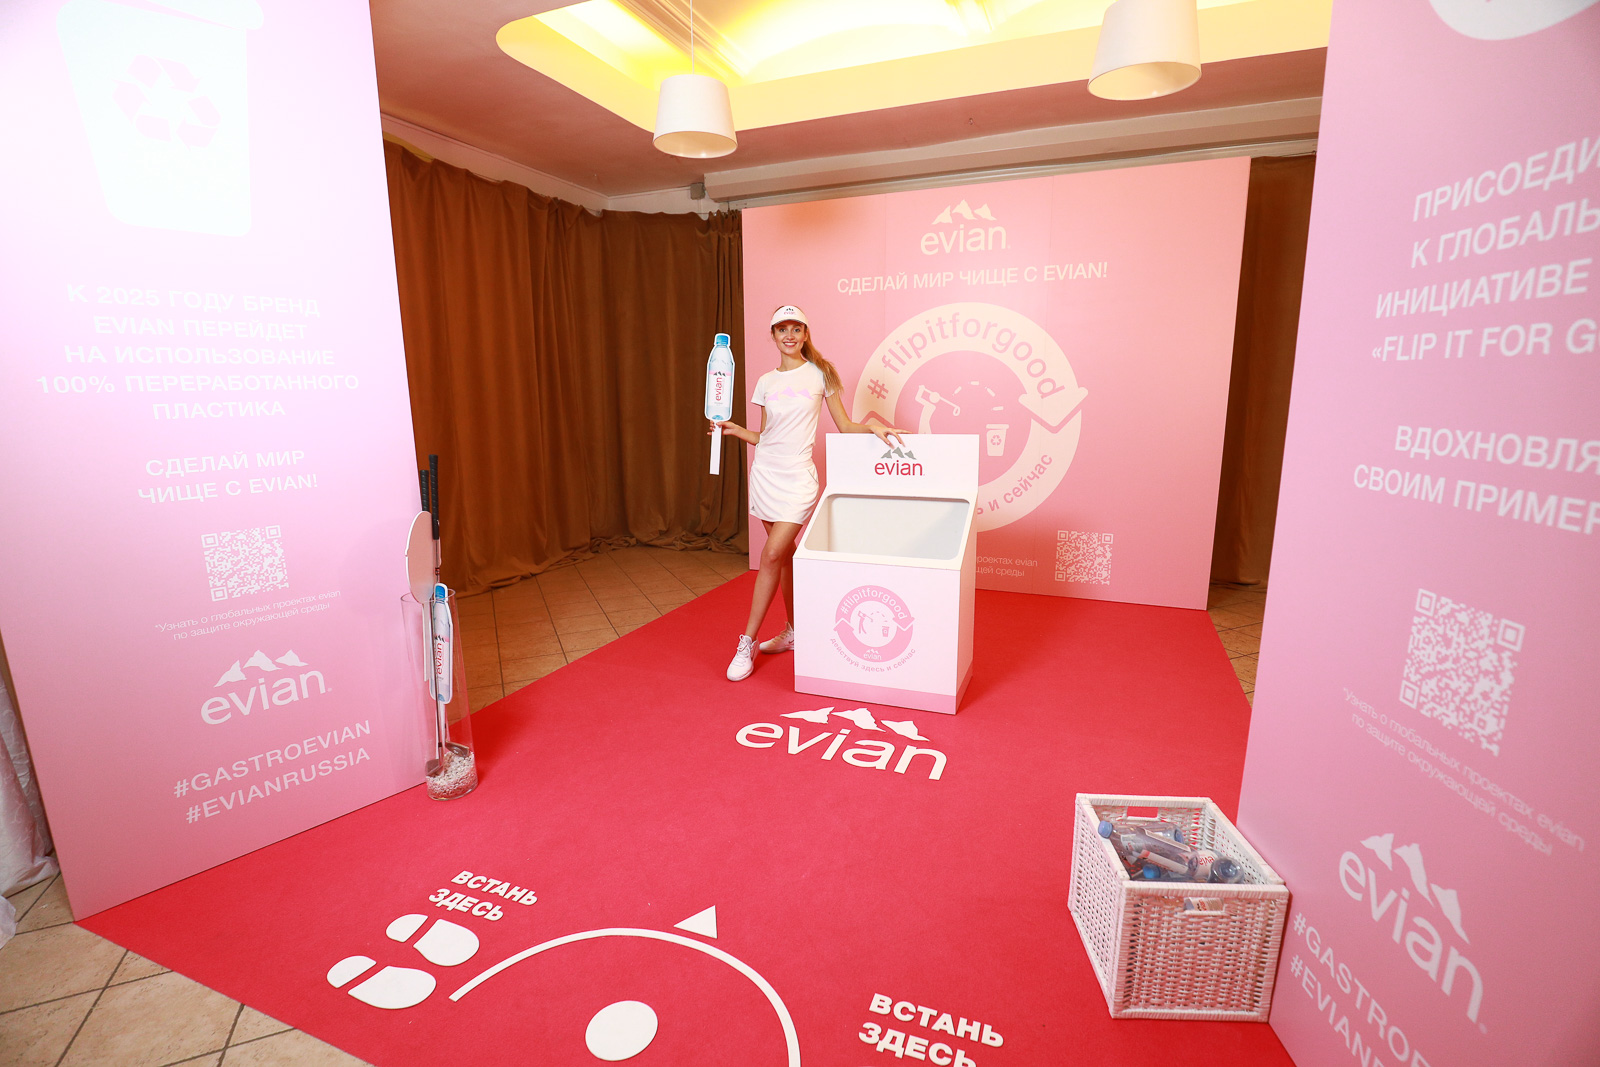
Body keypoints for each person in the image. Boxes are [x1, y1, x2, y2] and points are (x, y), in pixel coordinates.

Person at [710, 305, 906, 681]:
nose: (789, 335)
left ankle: (746, 642)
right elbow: (767, 436)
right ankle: (794, 632)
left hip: (798, 480)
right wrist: (737, 431)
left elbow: (845, 425)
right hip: (765, 475)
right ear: (773, 335)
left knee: (771, 554)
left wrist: (874, 427)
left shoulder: (821, 373)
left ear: (804, 334)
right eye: (782, 329)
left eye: (795, 329)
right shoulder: (766, 382)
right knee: (784, 556)